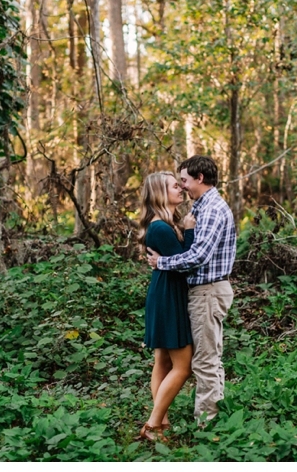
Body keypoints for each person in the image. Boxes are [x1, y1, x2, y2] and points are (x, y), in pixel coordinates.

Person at [147, 155, 237, 425]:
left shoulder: (211, 209)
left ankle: (205, 424)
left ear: (200, 178)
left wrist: (161, 262)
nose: (183, 187)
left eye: (184, 180)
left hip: (208, 291)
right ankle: (161, 421)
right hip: (194, 292)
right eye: (177, 183)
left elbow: (197, 256)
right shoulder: (199, 208)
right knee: (196, 360)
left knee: (205, 361)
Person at [136, 171, 197, 442]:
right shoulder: (160, 227)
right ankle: (153, 425)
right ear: (161, 192)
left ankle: (162, 421)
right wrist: (192, 230)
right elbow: (187, 263)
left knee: (162, 361)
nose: (181, 189)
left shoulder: (164, 223)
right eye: (175, 186)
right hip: (169, 295)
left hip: (164, 292)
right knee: (182, 367)